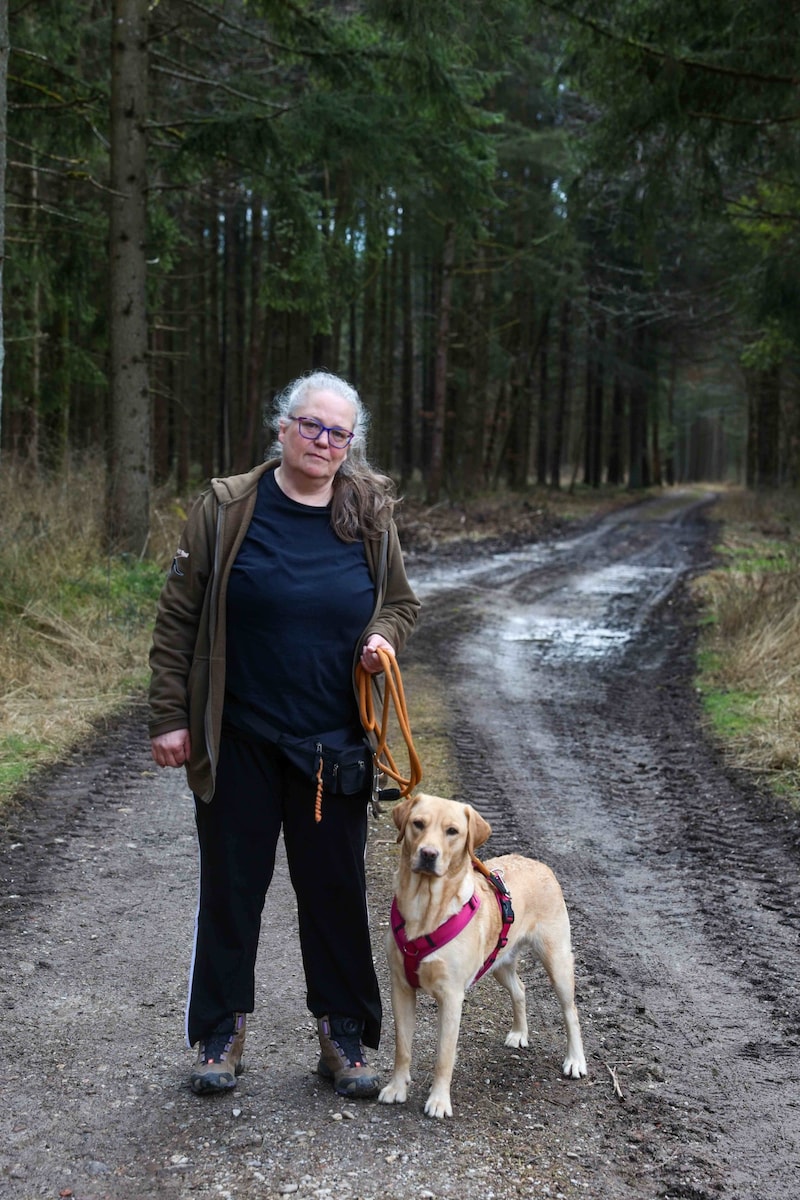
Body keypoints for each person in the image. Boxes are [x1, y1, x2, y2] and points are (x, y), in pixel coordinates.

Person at [148, 370, 420, 1099]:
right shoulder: (228, 506)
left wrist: (380, 638)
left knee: (332, 890)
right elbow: (178, 617)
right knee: (232, 888)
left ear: (350, 444)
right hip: (238, 734)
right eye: (311, 426)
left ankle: (346, 1036)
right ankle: (219, 1033)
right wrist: (170, 716)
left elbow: (400, 603)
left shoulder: (368, 513)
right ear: (283, 428)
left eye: (338, 432)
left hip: (334, 745)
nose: (323, 442)